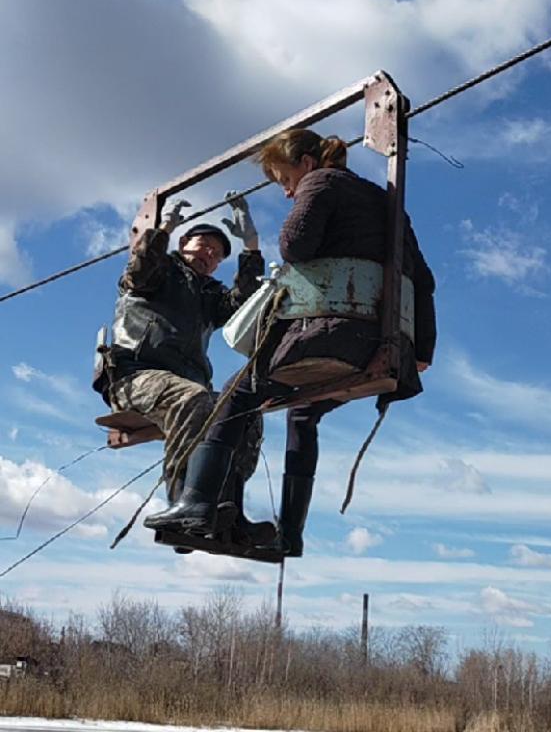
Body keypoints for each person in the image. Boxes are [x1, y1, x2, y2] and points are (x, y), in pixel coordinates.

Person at [144, 129, 437, 557]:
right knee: (302, 414)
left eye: (284, 180)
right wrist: (421, 349)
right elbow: (424, 280)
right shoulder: (391, 207)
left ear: (305, 163)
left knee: (234, 396)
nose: (285, 192)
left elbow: (296, 246)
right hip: (382, 346)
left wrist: (299, 206)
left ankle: (197, 502)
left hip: (329, 335)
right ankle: (290, 535)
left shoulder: (320, 182)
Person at [95, 196, 271, 542]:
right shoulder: (159, 272)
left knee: (243, 410)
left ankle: (226, 512)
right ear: (183, 245)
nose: (210, 255)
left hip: (186, 386)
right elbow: (141, 269)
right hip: (134, 376)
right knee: (192, 398)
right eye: (204, 246)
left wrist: (251, 246)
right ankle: (183, 504)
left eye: (218, 255)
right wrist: (162, 230)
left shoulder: (209, 294)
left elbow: (242, 302)